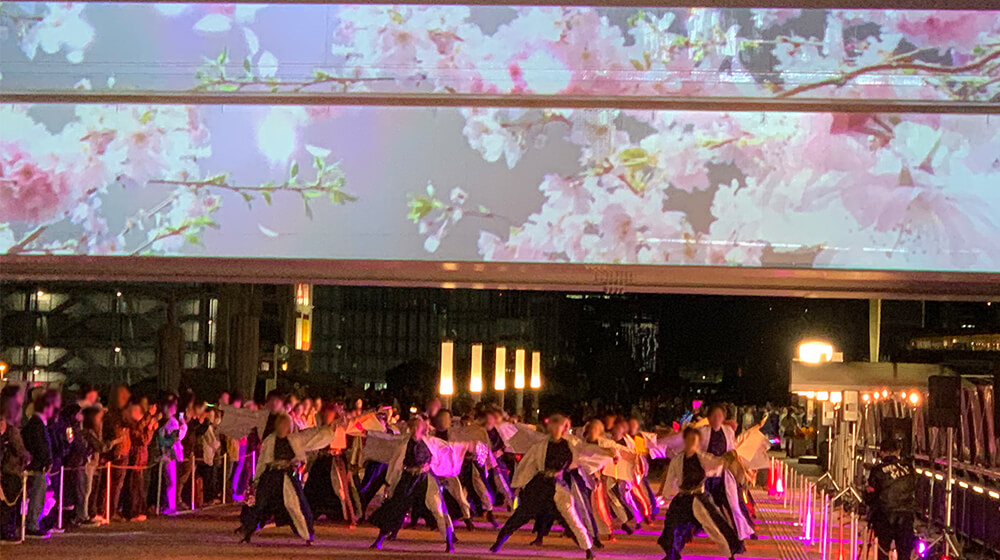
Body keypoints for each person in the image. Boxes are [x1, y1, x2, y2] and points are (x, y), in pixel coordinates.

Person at [490, 414, 596, 559]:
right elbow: (529, 465)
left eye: (561, 426)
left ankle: (588, 549)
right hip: (539, 486)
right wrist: (519, 485)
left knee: (571, 519)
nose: (558, 429)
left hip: (558, 487)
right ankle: (499, 541)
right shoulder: (541, 445)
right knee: (521, 515)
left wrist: (609, 453)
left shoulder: (570, 445)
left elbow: (587, 450)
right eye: (555, 426)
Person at [238, 413, 338, 543]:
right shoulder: (270, 440)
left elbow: (312, 436)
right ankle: (247, 532)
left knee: (297, 506)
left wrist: (328, 430)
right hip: (271, 476)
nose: (283, 427)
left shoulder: (295, 439)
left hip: (288, 476)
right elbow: (262, 461)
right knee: (260, 504)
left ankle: (307, 535)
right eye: (281, 424)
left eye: (285, 425)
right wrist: (256, 480)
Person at [368, 415, 458, 553]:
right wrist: (389, 482)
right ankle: (379, 540)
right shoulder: (404, 443)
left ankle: (449, 541)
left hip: (426, 478)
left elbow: (446, 450)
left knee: (438, 508)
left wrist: (435, 467)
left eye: (419, 427)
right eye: (414, 427)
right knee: (396, 507)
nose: (417, 430)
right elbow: (395, 461)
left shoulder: (430, 442)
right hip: (408, 478)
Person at [659, 427, 745, 560]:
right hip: (683, 499)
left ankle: (730, 554)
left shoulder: (702, 457)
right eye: (689, 439)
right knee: (672, 526)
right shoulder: (677, 460)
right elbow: (670, 476)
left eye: (694, 440)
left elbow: (717, 463)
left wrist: (727, 459)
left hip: (700, 498)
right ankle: (671, 554)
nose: (691, 442)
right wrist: (665, 495)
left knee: (715, 527)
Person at [698, 404, 755, 541]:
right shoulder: (702, 432)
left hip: (724, 476)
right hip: (707, 475)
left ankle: (742, 531)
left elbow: (732, 450)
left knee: (734, 505)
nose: (717, 418)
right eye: (714, 416)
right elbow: (696, 451)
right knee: (704, 506)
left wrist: (739, 466)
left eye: (720, 415)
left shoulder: (728, 431)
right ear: (709, 418)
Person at [865, 439, 916, 560]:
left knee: (882, 550)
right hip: (906, 515)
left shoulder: (878, 470)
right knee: (904, 553)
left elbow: (870, 495)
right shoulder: (908, 468)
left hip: (885, 516)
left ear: (882, 452)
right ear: (897, 451)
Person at [23, 391, 59, 538]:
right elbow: (40, 446)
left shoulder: (38, 424)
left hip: (39, 465)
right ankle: (32, 524)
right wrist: (45, 461)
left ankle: (34, 522)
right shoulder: (36, 424)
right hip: (38, 467)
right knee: (37, 495)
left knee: (40, 495)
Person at [0, 385, 29, 541]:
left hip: (6, 468)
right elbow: (19, 449)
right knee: (8, 503)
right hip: (9, 469)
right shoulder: (11, 428)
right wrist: (27, 458)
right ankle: (6, 531)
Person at [158, 398, 187, 515]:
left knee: (169, 481)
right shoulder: (172, 422)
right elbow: (177, 437)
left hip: (166, 452)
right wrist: (183, 425)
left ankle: (168, 505)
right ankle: (170, 506)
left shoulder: (165, 421)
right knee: (171, 481)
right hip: (170, 453)